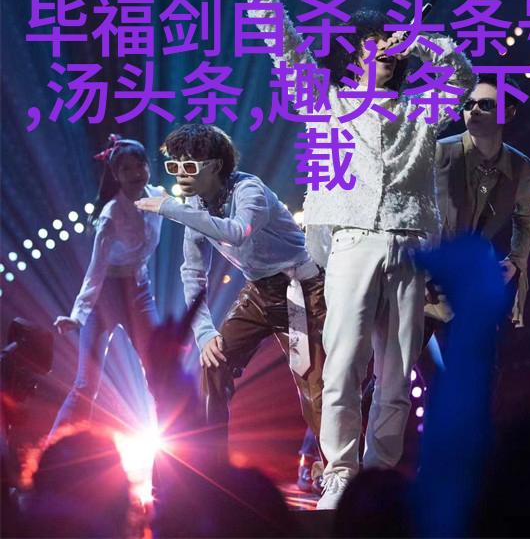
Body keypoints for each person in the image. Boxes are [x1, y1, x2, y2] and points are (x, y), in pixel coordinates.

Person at [235, 0, 473, 509]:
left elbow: (462, 76)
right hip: (352, 242)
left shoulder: (422, 110)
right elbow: (286, 47)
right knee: (342, 365)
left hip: (410, 246)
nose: (381, 47)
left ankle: (377, 477)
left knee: (397, 373)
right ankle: (339, 471)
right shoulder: (328, 102)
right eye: (371, 41)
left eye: (387, 41)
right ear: (353, 52)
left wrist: (417, 41)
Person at [135, 123, 326, 460]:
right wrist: (204, 333)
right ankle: (211, 464)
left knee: (313, 384)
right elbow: (192, 272)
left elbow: (237, 232)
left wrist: (170, 208)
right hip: (260, 293)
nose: (181, 174)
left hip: (302, 290)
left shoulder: (250, 191)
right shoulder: (193, 204)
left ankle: (333, 466)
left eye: (189, 165)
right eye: (174, 166)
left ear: (215, 166)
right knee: (214, 362)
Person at [51, 135, 163, 433]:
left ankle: (174, 453)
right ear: (116, 175)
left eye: (140, 165)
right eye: (126, 169)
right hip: (106, 296)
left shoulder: (158, 197)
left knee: (160, 374)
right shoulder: (111, 215)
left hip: (139, 291)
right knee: (86, 384)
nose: (136, 173)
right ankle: (53, 451)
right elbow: (96, 270)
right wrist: (78, 315)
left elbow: (191, 214)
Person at [434, 74, 530, 326]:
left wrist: (515, 260)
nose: (474, 111)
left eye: (486, 104)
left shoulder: (523, 168)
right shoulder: (439, 153)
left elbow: (525, 219)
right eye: (468, 104)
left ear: (509, 113)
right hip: (427, 272)